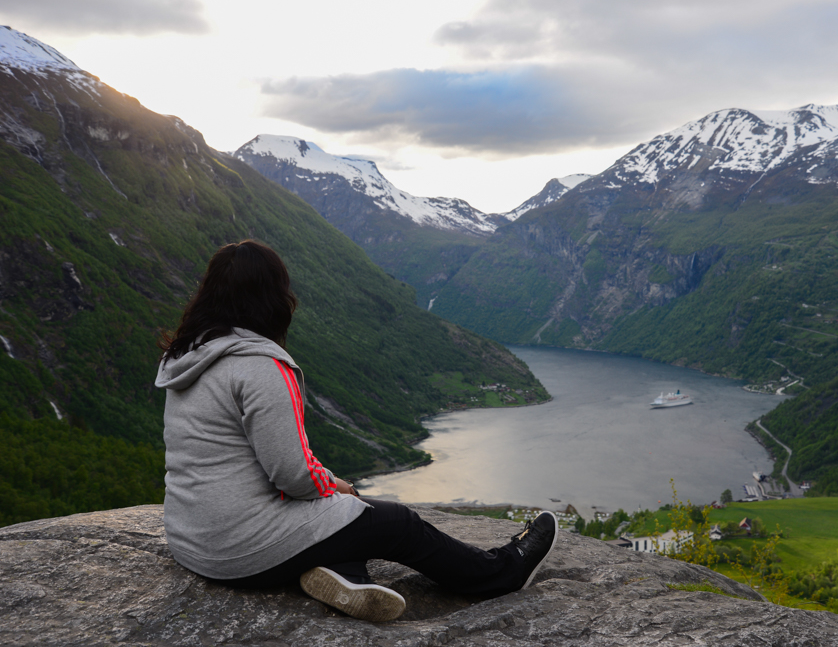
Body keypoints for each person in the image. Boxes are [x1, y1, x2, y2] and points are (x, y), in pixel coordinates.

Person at [155, 240, 557, 622]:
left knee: (343, 518)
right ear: (272, 298)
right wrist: (336, 487)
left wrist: (328, 489)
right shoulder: (261, 366)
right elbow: (293, 476)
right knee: (395, 522)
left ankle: (342, 571)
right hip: (240, 551)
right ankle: (502, 572)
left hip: (191, 542)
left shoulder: (190, 357)